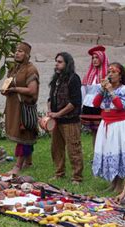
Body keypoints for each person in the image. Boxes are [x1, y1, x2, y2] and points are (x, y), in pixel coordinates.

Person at [92, 62, 125, 193]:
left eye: (113, 72)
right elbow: (95, 104)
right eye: (109, 72)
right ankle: (113, 184)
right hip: (106, 124)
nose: (110, 75)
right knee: (109, 152)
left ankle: (120, 185)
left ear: (120, 75)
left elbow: (120, 106)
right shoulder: (105, 89)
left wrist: (111, 91)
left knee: (118, 152)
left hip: (120, 126)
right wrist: (102, 90)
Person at [1, 42, 40, 176]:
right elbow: (9, 83)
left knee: (24, 135)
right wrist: (6, 90)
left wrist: (14, 89)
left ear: (27, 55)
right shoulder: (14, 68)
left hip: (24, 108)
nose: (17, 53)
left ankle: (18, 166)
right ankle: (28, 162)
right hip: (14, 107)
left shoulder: (31, 69)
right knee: (23, 135)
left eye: (21, 51)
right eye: (16, 51)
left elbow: (32, 90)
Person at [48, 52, 84, 185]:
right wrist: (50, 111)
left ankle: (77, 177)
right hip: (57, 121)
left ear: (67, 63)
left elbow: (74, 102)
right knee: (56, 148)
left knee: (73, 148)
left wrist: (59, 114)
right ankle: (59, 173)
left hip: (70, 120)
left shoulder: (74, 79)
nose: (56, 64)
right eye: (56, 61)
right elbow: (50, 98)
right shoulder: (56, 79)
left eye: (60, 62)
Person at [80, 45, 109, 148]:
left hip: (102, 106)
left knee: (103, 132)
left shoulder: (108, 74)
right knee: (94, 132)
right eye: (93, 58)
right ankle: (95, 155)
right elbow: (84, 90)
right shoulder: (88, 74)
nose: (94, 60)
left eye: (97, 57)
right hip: (89, 106)